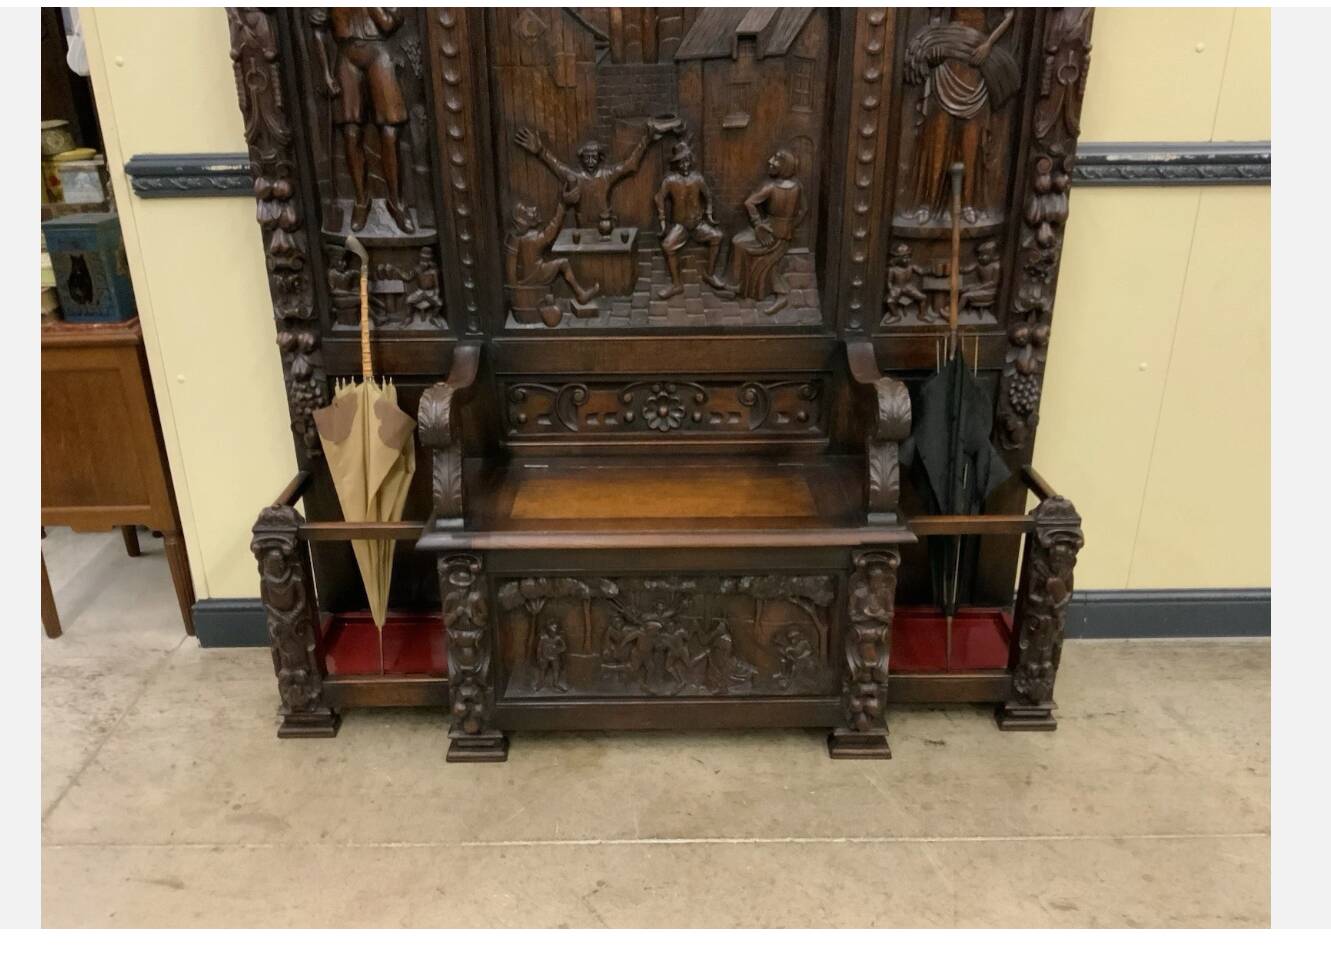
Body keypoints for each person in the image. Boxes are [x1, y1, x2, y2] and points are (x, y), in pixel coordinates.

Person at [311, 7, 415, 234]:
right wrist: (326, 73)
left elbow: (389, 24)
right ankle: (361, 199)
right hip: (346, 55)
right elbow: (318, 30)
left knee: (390, 131)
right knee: (351, 133)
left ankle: (396, 202)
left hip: (378, 52)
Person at [514, 124, 660, 232]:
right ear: (582, 159)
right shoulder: (575, 177)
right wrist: (540, 151)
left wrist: (646, 140)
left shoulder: (606, 175)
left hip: (606, 228)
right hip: (583, 230)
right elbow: (556, 165)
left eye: (594, 157)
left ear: (599, 158)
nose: (590, 162)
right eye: (587, 157)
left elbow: (630, 165)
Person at [724, 148, 806, 314]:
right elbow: (803, 210)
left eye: (775, 160)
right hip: (782, 233)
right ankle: (739, 286)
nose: (770, 161)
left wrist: (758, 225)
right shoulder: (798, 186)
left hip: (770, 233)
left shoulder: (771, 187)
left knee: (738, 242)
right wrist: (790, 227)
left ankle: (742, 286)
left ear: (784, 166)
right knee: (749, 248)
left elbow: (749, 202)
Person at [503, 185, 601, 321]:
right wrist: (562, 205)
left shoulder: (514, 238)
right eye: (527, 211)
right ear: (523, 221)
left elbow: (510, 268)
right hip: (534, 275)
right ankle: (581, 295)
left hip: (525, 278)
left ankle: (580, 294)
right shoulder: (532, 239)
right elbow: (552, 230)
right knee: (563, 263)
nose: (533, 209)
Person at [654, 141, 726, 299]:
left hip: (698, 224)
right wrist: (663, 221)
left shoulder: (698, 179)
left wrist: (709, 215)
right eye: (681, 162)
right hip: (681, 226)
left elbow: (708, 197)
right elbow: (659, 198)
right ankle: (676, 284)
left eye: (686, 161)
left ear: (690, 161)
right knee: (667, 246)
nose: (684, 165)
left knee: (717, 236)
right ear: (676, 164)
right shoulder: (670, 181)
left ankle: (710, 274)